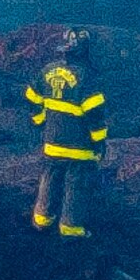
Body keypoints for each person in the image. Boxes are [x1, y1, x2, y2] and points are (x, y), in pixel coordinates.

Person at [26, 30, 108, 238]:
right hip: (80, 149)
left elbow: (32, 98)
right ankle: (70, 229)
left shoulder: (47, 71)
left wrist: (40, 123)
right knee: (76, 186)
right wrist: (99, 143)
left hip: (52, 143)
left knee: (50, 179)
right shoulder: (87, 78)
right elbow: (95, 116)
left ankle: (42, 220)